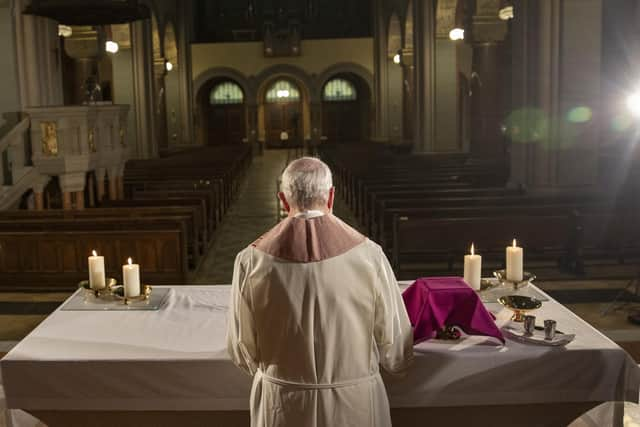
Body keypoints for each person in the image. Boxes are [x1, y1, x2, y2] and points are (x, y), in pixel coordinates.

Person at [227, 157, 413, 427]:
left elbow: (243, 351)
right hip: (354, 403)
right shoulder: (369, 255)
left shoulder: (250, 260)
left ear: (282, 199)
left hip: (284, 404)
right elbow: (396, 349)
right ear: (331, 196)